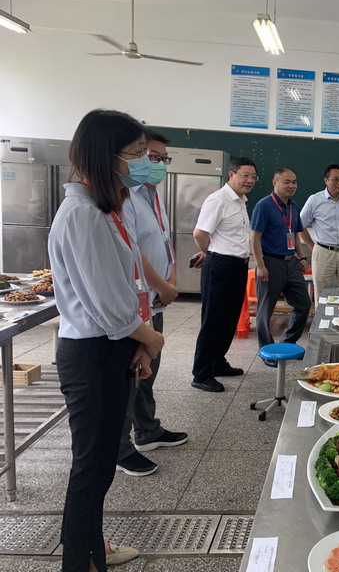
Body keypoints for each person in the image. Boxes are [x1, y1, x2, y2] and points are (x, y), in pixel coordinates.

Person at [48, 109, 165, 571]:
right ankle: (81, 560)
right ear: (106, 156)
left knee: (97, 466)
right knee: (92, 466)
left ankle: (92, 547)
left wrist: (138, 343)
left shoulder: (106, 208)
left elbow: (126, 284)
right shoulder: (82, 216)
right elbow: (109, 307)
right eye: (136, 154)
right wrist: (151, 339)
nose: (144, 162)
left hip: (114, 346)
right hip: (92, 353)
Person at [115, 130, 188, 476]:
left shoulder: (153, 195)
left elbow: (161, 241)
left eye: (162, 159)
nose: (157, 164)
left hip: (155, 298)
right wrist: (161, 285)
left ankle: (148, 430)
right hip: (137, 301)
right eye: (150, 156)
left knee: (148, 369)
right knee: (132, 374)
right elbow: (132, 250)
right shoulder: (125, 196)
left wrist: (169, 281)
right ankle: (120, 447)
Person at [190, 157, 256, 392]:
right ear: (232, 174)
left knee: (229, 319)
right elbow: (200, 233)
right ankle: (201, 373)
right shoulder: (218, 199)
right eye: (245, 175)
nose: (249, 180)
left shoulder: (240, 201)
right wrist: (211, 253)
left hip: (238, 265)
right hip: (220, 265)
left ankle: (217, 362)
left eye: (253, 177)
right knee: (213, 321)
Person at [251, 167, 311, 364]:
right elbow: (255, 237)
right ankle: (267, 351)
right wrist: (260, 265)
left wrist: (302, 257)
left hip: (291, 263)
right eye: (287, 182)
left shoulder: (294, 206)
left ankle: (288, 343)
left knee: (303, 304)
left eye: (294, 182)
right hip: (270, 262)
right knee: (265, 311)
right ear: (274, 182)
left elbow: (295, 234)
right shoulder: (264, 205)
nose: (291, 185)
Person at [299, 164, 339, 297]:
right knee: (323, 294)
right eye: (335, 179)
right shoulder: (315, 200)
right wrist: (313, 247)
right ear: (326, 180)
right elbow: (299, 226)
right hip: (323, 253)